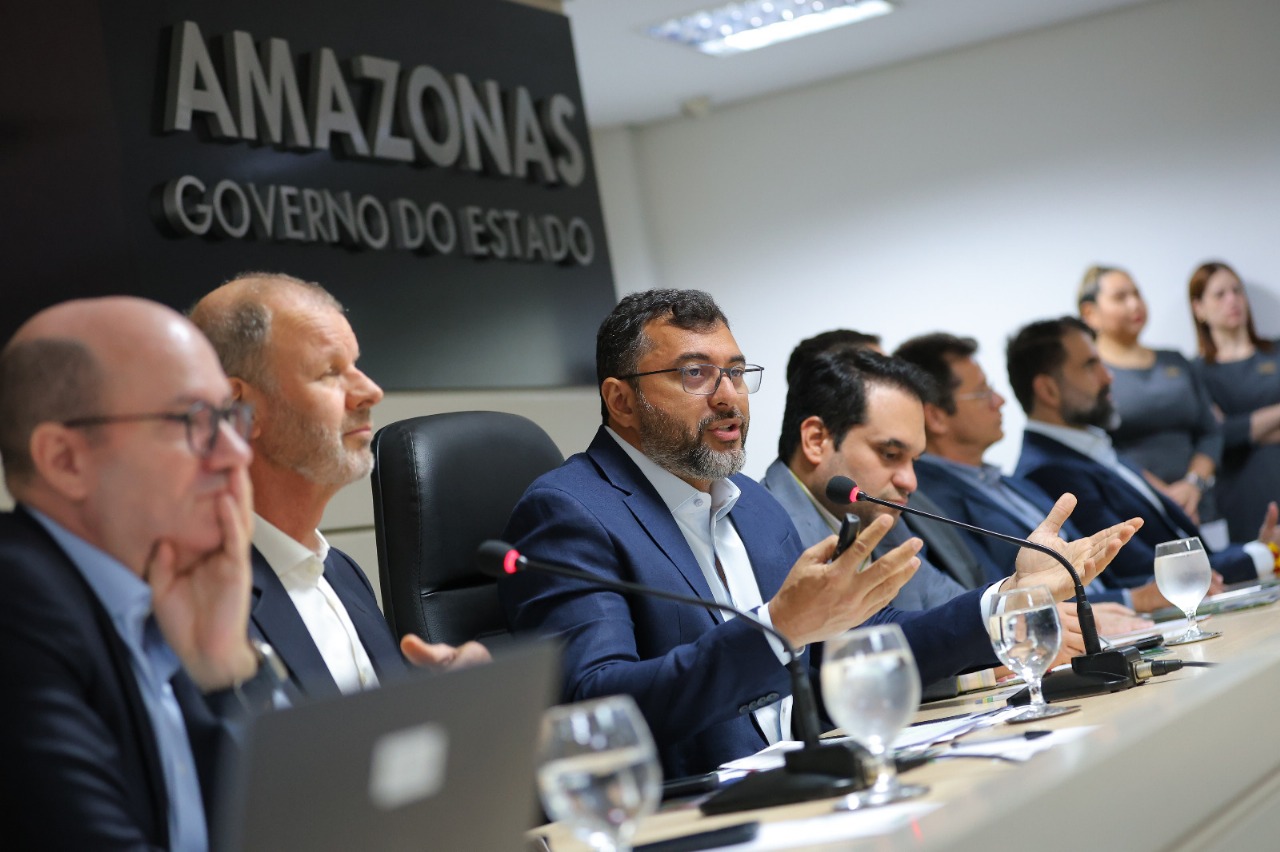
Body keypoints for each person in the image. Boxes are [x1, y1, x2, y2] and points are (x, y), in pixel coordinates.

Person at [499, 289, 1138, 778]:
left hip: (815, 782)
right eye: (695, 374)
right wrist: (777, 628)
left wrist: (1006, 603)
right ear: (621, 400)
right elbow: (597, 706)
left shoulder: (749, 503)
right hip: (694, 814)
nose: (728, 397)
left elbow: (855, 646)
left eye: (736, 372)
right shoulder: (570, 512)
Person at [0, 297, 279, 850]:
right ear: (65, 460)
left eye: (229, 416)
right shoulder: (16, 606)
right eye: (193, 420)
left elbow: (310, 819)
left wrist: (226, 665)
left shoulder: (162, 590)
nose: (236, 454)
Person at [191, 273, 488, 700]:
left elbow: (374, 733)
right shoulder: (195, 603)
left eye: (355, 366)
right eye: (330, 372)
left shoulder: (342, 572)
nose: (371, 391)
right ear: (239, 408)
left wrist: (446, 701)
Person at [896, 331, 1157, 624]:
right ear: (936, 417)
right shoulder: (931, 504)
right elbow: (993, 595)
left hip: (1119, 621)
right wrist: (1133, 599)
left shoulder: (1011, 483)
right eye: (983, 393)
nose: (999, 401)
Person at [1007, 316, 1278, 592]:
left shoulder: (1090, 447)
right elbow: (1147, 574)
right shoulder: (1049, 472)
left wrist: (1261, 549)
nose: (1108, 376)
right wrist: (1263, 554)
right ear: (1048, 390)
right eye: (1090, 365)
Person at [1078, 265, 1223, 526]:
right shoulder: (1089, 377)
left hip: (1201, 504)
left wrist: (1193, 484)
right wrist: (1164, 495)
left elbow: (1211, 430)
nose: (1135, 304)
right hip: (1137, 512)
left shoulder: (1175, 361)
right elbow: (1099, 447)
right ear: (1090, 313)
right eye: (1120, 297)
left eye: (1137, 293)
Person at [1189, 260, 1280, 543]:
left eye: (1237, 290)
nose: (1232, 300)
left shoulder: (1276, 351)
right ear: (1199, 308)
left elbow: (1232, 429)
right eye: (1220, 294)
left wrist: (1243, 428)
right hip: (1245, 496)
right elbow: (1221, 436)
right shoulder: (1197, 372)